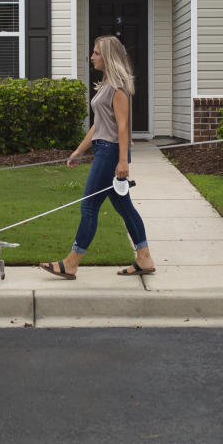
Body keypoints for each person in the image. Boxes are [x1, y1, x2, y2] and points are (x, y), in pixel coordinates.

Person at [41, 35, 155, 280]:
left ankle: (71, 263)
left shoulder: (117, 88)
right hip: (105, 150)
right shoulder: (106, 85)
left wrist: (123, 161)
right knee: (125, 207)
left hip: (111, 152)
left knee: (89, 206)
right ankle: (144, 258)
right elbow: (98, 124)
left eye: (96, 53)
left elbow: (123, 127)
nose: (92, 57)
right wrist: (80, 150)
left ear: (108, 57)